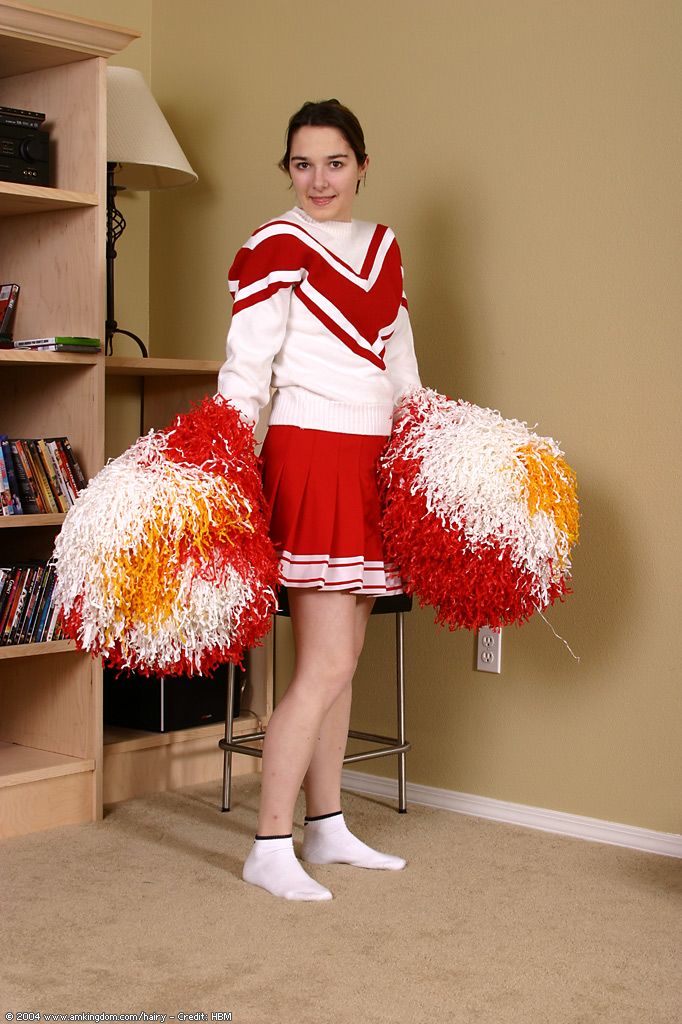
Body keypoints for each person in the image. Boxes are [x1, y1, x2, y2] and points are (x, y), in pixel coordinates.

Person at [218, 99, 421, 901]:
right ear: (287, 170)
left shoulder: (383, 246)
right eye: (302, 164)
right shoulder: (275, 243)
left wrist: (422, 446)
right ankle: (269, 844)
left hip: (372, 461)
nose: (319, 180)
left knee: (345, 662)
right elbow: (245, 369)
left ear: (362, 166)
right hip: (309, 455)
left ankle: (327, 826)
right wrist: (222, 464)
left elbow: (401, 364)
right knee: (324, 661)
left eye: (335, 163)